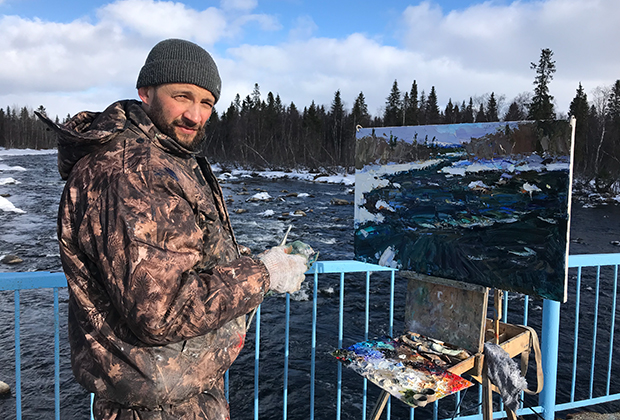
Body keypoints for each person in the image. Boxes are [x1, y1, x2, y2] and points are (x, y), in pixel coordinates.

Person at [37, 38, 311, 420]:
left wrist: (243, 260)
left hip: (177, 395)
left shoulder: (164, 158)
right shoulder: (130, 173)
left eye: (206, 103)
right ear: (145, 91)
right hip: (154, 409)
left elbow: (179, 254)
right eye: (182, 96)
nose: (195, 116)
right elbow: (160, 311)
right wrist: (263, 274)